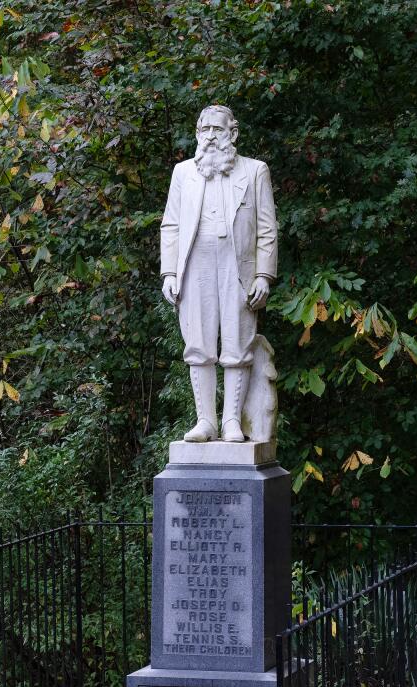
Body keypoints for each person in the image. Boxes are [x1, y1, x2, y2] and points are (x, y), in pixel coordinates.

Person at [159, 105, 278, 443]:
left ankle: (231, 423)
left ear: (232, 133)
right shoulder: (183, 173)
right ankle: (205, 421)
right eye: (203, 129)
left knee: (238, 342)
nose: (210, 136)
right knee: (198, 343)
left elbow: (267, 229)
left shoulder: (255, 171)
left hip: (237, 266)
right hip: (195, 264)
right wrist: (169, 272)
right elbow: (171, 225)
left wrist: (263, 276)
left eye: (216, 129)